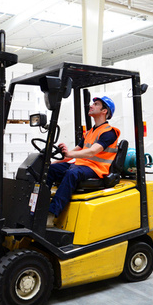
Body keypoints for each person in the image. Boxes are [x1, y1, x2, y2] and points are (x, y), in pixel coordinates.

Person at [46, 96, 120, 226]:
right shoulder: (90, 132)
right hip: (81, 165)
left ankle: (51, 215)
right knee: (50, 170)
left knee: (72, 174)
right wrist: (51, 163)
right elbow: (71, 156)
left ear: (104, 111)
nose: (91, 106)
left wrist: (69, 153)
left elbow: (92, 151)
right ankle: (38, 207)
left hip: (97, 169)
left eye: (96, 104)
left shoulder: (109, 132)